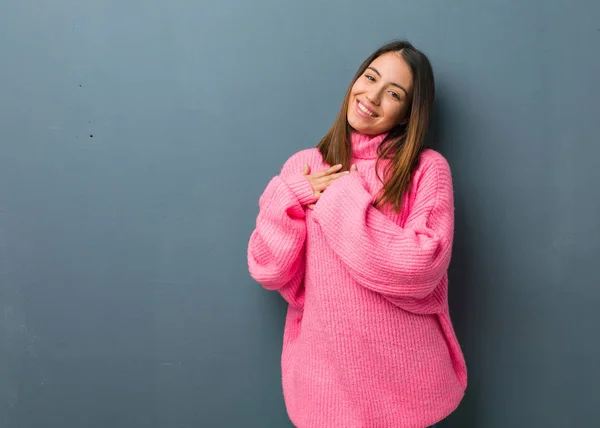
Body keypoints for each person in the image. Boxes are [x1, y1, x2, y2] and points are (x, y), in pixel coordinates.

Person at [247, 40, 467, 428]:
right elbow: (270, 269)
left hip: (407, 382)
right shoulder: (306, 167)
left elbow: (421, 268)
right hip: (327, 382)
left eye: (394, 93)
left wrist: (341, 196)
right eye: (370, 78)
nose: (373, 96)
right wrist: (290, 196)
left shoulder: (425, 169)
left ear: (406, 115)